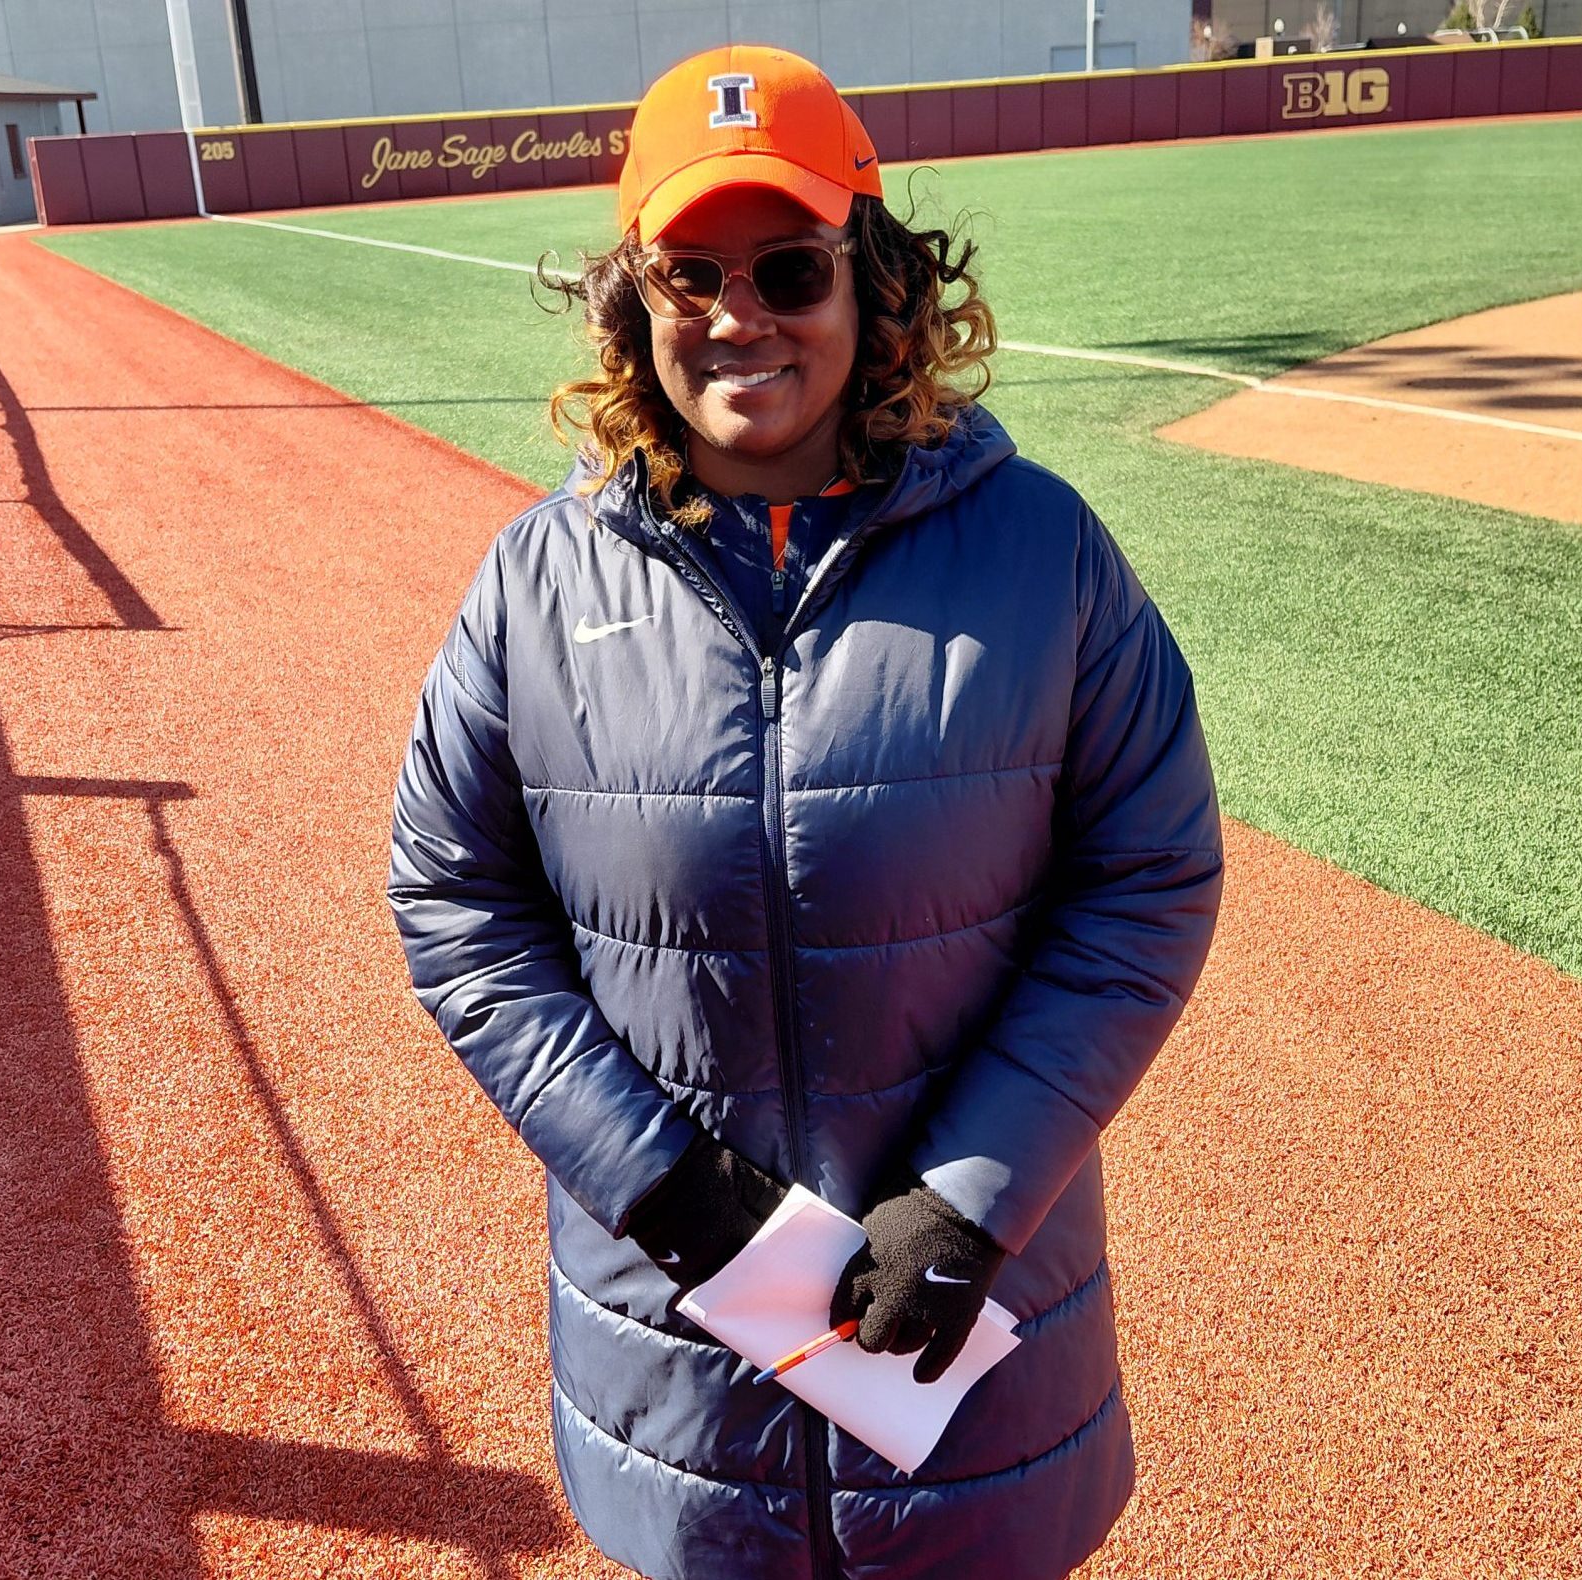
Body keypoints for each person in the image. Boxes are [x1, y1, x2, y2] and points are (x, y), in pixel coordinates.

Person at [388, 42, 1224, 1580]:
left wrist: (968, 1199)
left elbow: (1149, 877)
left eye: (789, 267)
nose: (740, 315)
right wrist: (667, 1190)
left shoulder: (1042, 550)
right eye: (689, 273)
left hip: (971, 1355)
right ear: (631, 302)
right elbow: (456, 903)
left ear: (875, 283)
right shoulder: (535, 582)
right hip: (678, 1359)